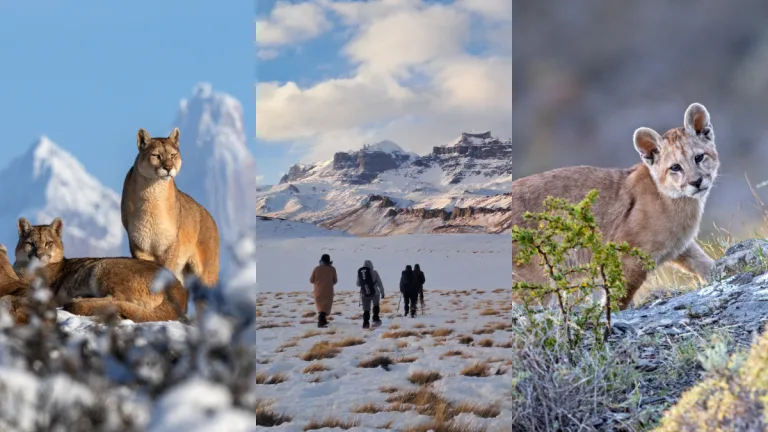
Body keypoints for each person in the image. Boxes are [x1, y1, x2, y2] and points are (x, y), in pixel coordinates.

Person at [309, 254, 337, 328]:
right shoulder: (332, 269)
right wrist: (329, 284)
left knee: (320, 306)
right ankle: (321, 321)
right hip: (329, 291)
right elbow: (335, 280)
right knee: (326, 306)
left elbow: (311, 280)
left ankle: (322, 320)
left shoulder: (316, 269)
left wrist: (318, 283)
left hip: (318, 290)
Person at [356, 260, 385, 328]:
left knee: (366, 310)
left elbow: (357, 284)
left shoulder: (360, 273)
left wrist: (364, 284)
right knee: (376, 305)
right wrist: (382, 292)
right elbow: (379, 283)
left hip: (364, 294)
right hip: (375, 293)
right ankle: (375, 320)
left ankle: (365, 323)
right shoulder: (374, 272)